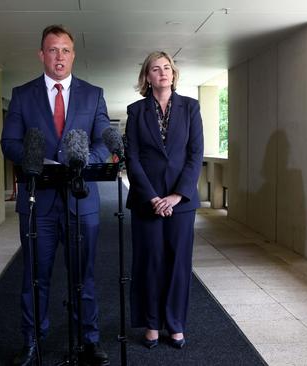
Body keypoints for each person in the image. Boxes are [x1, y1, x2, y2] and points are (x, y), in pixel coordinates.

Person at [1, 24, 110, 366]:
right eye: (52, 50)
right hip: (39, 202)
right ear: (41, 55)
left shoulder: (93, 94)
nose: (59, 56)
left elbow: (104, 139)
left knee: (84, 276)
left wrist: (82, 161)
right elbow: (10, 142)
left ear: (73, 55)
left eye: (65, 50)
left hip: (82, 200)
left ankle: (89, 340)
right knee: (35, 277)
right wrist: (33, 161)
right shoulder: (22, 94)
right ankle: (33, 339)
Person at [124, 51, 204, 349]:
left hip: (181, 202)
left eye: (167, 68)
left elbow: (195, 155)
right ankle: (152, 323)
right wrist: (155, 197)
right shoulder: (136, 111)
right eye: (156, 69)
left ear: (174, 73)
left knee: (179, 263)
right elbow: (132, 158)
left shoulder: (191, 108)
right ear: (147, 77)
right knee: (150, 262)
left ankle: (175, 324)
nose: (163, 73)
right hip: (147, 201)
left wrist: (175, 195)